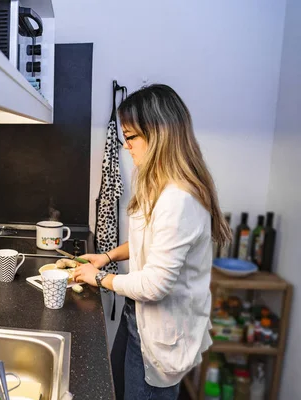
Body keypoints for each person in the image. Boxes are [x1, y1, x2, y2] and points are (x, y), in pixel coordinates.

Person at [72, 84, 231, 400]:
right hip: (137, 319)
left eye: (130, 136)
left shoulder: (179, 199)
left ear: (158, 135)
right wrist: (106, 257)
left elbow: (156, 284)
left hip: (159, 333)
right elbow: (147, 242)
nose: (126, 145)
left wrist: (101, 279)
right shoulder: (156, 182)